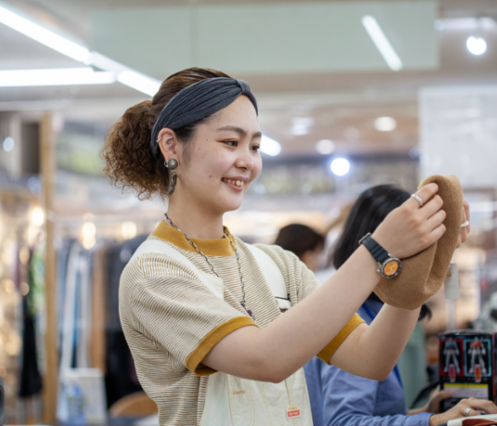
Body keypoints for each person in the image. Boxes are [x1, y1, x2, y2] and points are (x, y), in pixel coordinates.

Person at [101, 67, 467, 426]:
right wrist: (379, 249)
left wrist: (423, 262)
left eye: (255, 146)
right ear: (171, 145)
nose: (247, 161)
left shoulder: (277, 264)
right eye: (231, 142)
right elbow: (264, 359)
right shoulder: (154, 272)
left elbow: (371, 358)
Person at [304, 184, 497, 426]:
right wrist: (431, 421)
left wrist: (424, 413)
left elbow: (369, 413)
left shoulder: (373, 310)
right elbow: (343, 422)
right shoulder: (350, 316)